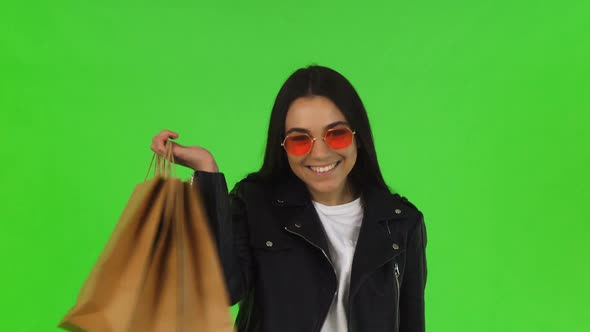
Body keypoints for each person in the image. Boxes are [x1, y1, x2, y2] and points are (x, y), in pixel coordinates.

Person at [150, 65, 427, 332]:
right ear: (282, 146)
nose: (319, 154)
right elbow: (219, 289)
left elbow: (411, 324)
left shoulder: (401, 223)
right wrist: (206, 172)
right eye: (299, 139)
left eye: (337, 134)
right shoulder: (256, 204)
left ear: (358, 136)